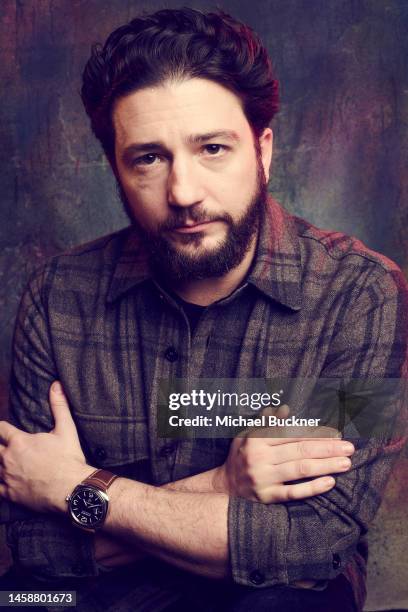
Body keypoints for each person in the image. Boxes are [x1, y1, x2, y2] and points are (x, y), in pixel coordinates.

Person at [0, 8, 406, 612]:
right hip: (91, 596)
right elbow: (37, 550)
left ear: (262, 151)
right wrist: (220, 488)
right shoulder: (55, 296)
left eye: (212, 148)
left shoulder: (358, 295)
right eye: (148, 158)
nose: (184, 192)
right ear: (115, 167)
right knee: (25, 599)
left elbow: (312, 542)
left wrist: (70, 489)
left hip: (274, 596)